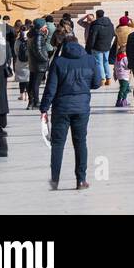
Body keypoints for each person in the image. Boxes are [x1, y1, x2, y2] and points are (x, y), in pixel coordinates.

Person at [39, 31, 101, 190]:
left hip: (61, 108)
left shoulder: (59, 62)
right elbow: (97, 82)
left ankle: (55, 180)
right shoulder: (89, 59)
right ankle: (81, 180)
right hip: (82, 108)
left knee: (58, 144)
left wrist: (44, 107)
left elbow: (50, 88)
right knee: (80, 143)